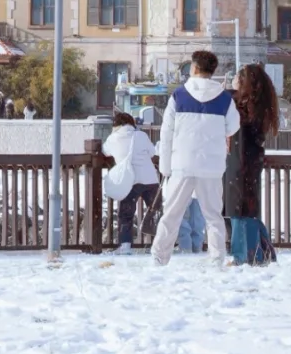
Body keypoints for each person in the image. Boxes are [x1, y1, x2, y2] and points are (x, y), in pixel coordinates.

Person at [151, 50, 240, 266]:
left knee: (172, 214)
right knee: (213, 216)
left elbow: (166, 132)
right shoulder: (224, 98)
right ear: (212, 70)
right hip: (211, 165)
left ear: (194, 68)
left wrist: (165, 167)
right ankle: (217, 258)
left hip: (182, 163)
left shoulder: (179, 96)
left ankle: (159, 258)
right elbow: (233, 126)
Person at [225, 63, 279, 265]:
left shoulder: (242, 106)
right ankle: (261, 252)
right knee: (249, 209)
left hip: (241, 160)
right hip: (251, 160)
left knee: (238, 209)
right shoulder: (259, 105)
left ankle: (244, 256)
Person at [103, 111, 160, 252]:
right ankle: (158, 244)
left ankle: (126, 245)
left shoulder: (113, 138)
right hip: (150, 179)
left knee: (126, 214)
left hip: (130, 181)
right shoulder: (141, 135)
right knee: (156, 212)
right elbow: (153, 152)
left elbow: (105, 152)